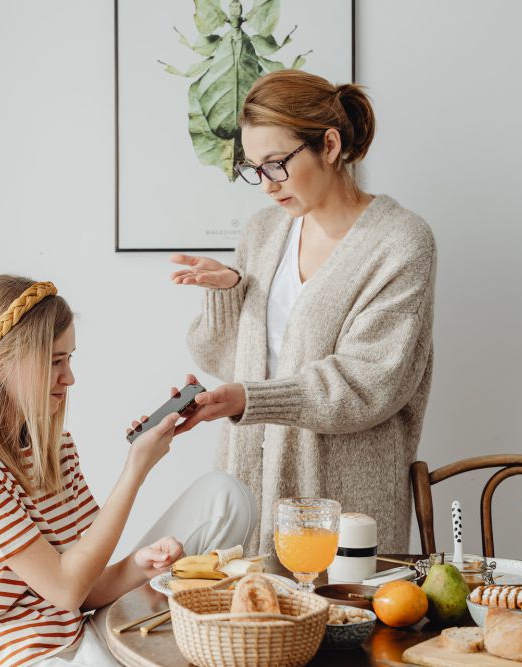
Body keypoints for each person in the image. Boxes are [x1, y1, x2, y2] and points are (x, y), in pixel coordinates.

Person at [0, 275, 255, 667]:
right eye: (54, 361)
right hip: (19, 654)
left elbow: (86, 587)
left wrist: (137, 566)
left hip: (79, 630)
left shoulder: (53, 444)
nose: (69, 378)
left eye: (70, 359)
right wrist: (136, 470)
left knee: (225, 497)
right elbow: (66, 589)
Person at [169, 69, 436, 557]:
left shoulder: (400, 243)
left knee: (344, 630)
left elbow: (368, 385)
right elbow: (225, 364)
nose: (266, 186)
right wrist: (230, 293)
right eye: (254, 168)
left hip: (343, 505)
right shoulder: (264, 233)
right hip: (249, 490)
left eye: (276, 164)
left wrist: (249, 401)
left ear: (329, 146)